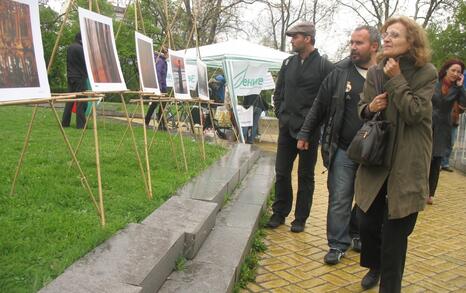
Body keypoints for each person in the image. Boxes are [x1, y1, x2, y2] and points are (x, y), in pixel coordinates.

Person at [355, 16, 437, 292]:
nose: (386, 38)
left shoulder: (427, 73)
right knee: (364, 221)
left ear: (411, 42)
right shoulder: (376, 72)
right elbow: (362, 107)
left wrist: (397, 79)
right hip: (377, 158)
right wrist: (370, 108)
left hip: (407, 163)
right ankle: (375, 265)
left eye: (395, 35)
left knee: (395, 236)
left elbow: (415, 113)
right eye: (386, 34)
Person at [296, 25, 380, 264]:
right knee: (340, 197)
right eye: (351, 42)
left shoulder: (386, 73)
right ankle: (337, 244)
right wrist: (305, 133)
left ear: (374, 46)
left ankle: (356, 232)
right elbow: (319, 105)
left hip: (375, 152)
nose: (353, 47)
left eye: (359, 43)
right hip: (343, 148)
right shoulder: (339, 72)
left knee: (368, 198)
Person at [266, 21, 334, 233]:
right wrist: (281, 114)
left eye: (296, 37)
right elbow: (279, 93)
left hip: (310, 131)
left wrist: (315, 125)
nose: (292, 40)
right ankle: (279, 212)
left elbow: (328, 101)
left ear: (308, 38)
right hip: (287, 128)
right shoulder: (288, 64)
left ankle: (300, 218)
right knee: (282, 171)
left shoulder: (325, 66)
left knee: (305, 176)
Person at [427, 59, 465, 204]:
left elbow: (463, 105)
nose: (455, 74)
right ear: (446, 69)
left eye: (459, 72)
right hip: (428, 124)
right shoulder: (433, 82)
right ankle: (419, 189)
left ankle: (430, 193)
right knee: (424, 158)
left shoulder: (457, 89)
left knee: (436, 160)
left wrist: (461, 87)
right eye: (453, 70)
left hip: (444, 127)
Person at [62, 32, 88, 129]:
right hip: (80, 77)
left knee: (69, 101)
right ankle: (80, 125)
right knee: (81, 101)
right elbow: (85, 63)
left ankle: (65, 122)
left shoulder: (70, 48)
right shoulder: (81, 49)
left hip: (70, 76)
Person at [145, 48, 168, 129]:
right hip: (160, 86)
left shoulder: (162, 61)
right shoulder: (160, 61)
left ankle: (152, 121)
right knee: (159, 104)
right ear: (165, 53)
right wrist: (160, 88)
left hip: (162, 85)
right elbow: (158, 74)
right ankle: (159, 122)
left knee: (158, 104)